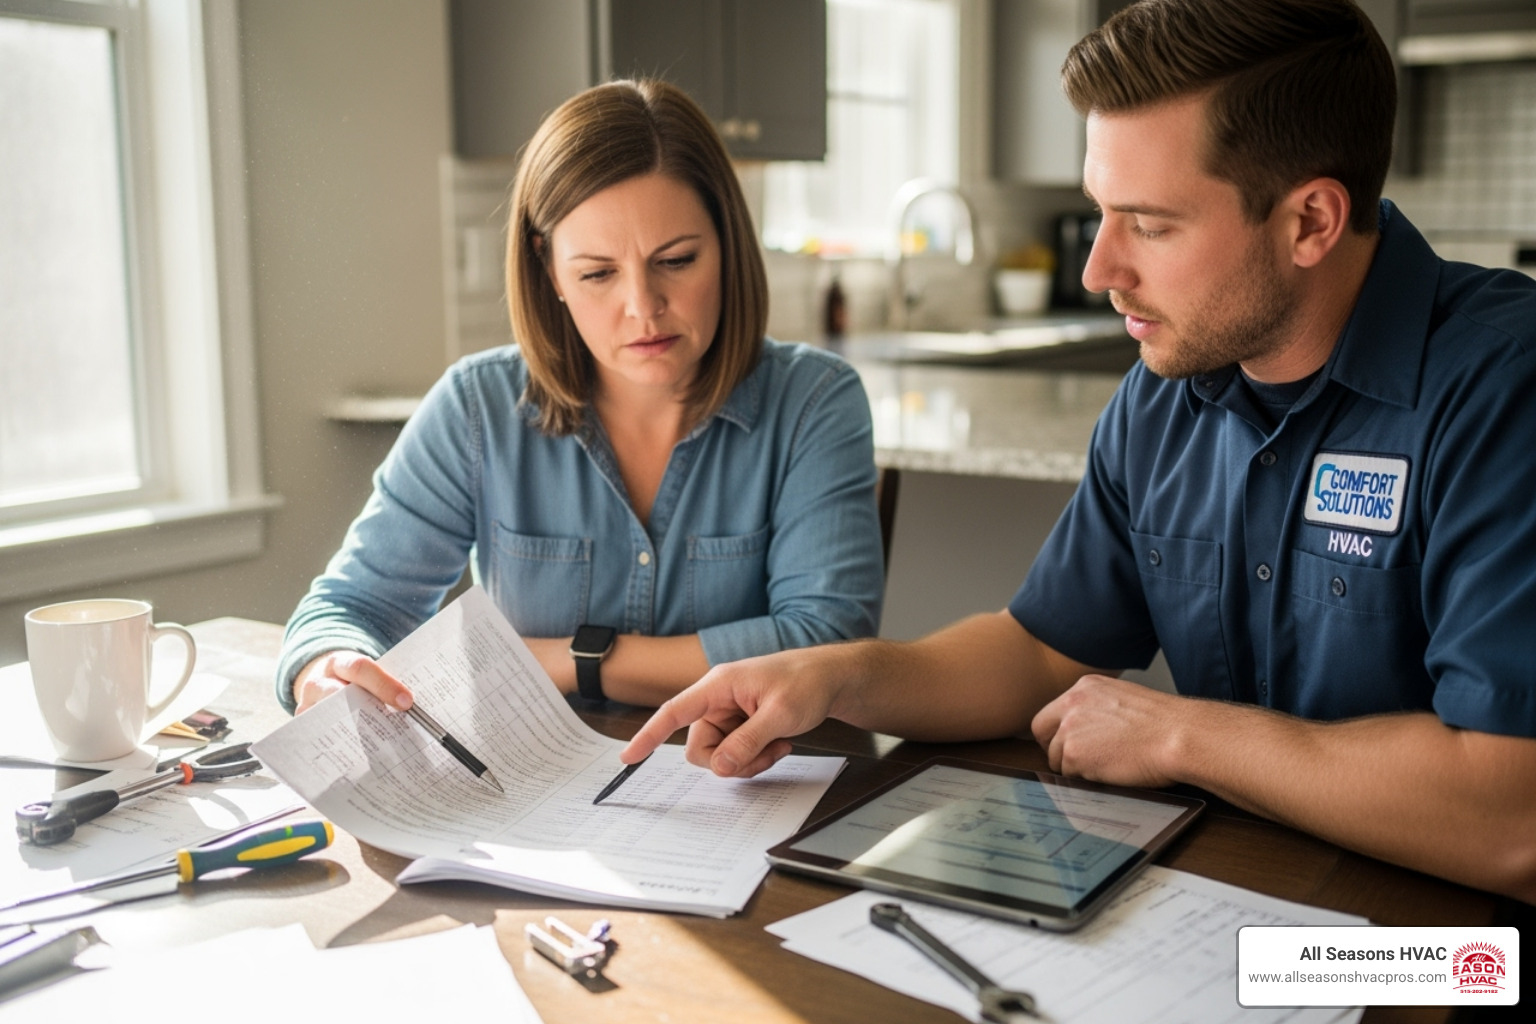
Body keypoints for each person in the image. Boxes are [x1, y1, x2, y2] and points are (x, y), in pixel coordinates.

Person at [621, 0, 1536, 902]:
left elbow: (1511, 816)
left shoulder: (1503, 387)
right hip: (1245, 897)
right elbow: (1040, 652)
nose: (1100, 268)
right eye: (1101, 211)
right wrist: (840, 674)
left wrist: (1183, 735)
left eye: (1151, 223)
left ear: (1310, 222)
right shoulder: (1166, 391)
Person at [276, 80, 884, 715]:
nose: (643, 308)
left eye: (675, 261)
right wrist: (326, 666)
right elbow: (352, 608)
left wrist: (565, 659)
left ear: (728, 244)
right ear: (549, 270)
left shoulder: (814, 401)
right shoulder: (476, 407)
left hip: (747, 785)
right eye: (597, 273)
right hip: (529, 792)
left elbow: (825, 646)